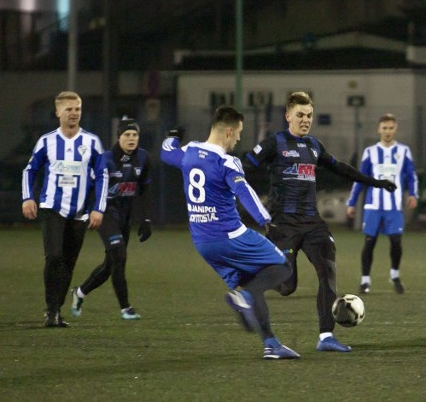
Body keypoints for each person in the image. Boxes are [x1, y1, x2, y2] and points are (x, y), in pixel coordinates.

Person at [244, 91, 396, 352]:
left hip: (313, 223)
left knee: (328, 272)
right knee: (287, 286)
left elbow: (340, 168)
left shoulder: (314, 146)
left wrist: (375, 182)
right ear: (288, 116)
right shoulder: (274, 143)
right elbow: (243, 165)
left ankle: (326, 336)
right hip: (283, 226)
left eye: (309, 115)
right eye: (300, 115)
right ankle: (253, 283)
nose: (306, 120)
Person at [160, 105, 299, 360]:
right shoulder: (226, 161)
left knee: (251, 284)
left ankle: (272, 345)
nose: (238, 140)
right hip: (230, 236)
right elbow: (243, 190)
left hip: (203, 242)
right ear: (229, 131)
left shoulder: (189, 152)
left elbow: (166, 151)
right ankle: (245, 297)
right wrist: (266, 220)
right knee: (282, 268)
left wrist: (172, 136)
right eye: (238, 134)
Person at [21, 91, 108, 328]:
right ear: (58, 112)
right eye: (69, 109)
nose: (74, 113)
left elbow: (102, 175)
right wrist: (28, 198)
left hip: (79, 212)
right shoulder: (47, 141)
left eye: (77, 109)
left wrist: (98, 209)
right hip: (51, 208)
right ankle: (51, 310)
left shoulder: (91, 142)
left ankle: (56, 310)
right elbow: (29, 170)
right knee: (54, 257)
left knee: (69, 262)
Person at [70, 117, 152, 321]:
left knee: (110, 266)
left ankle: (79, 293)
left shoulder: (143, 158)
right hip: (106, 213)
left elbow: (145, 190)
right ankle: (126, 308)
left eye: (135, 135)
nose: (131, 138)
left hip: (124, 216)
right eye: (127, 135)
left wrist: (146, 219)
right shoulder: (105, 159)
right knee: (119, 256)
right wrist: (87, 211)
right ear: (118, 137)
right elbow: (89, 187)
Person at [346, 113, 418, 295]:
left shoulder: (403, 151)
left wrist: (413, 194)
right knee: (370, 242)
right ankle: (365, 281)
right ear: (379, 129)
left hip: (394, 207)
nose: (387, 131)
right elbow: (360, 178)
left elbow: (411, 175)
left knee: (396, 242)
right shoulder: (370, 152)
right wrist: (352, 202)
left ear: (396, 129)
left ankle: (394, 276)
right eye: (384, 128)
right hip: (373, 206)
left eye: (391, 128)